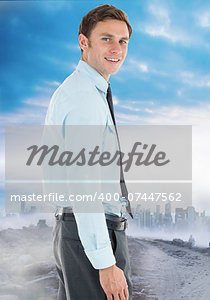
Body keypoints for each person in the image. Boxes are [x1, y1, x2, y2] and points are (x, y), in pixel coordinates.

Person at [45, 4, 133, 299]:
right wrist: (105, 262)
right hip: (92, 235)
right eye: (106, 39)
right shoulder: (84, 98)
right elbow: (84, 185)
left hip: (78, 231)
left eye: (123, 41)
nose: (116, 48)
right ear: (84, 42)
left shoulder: (87, 92)